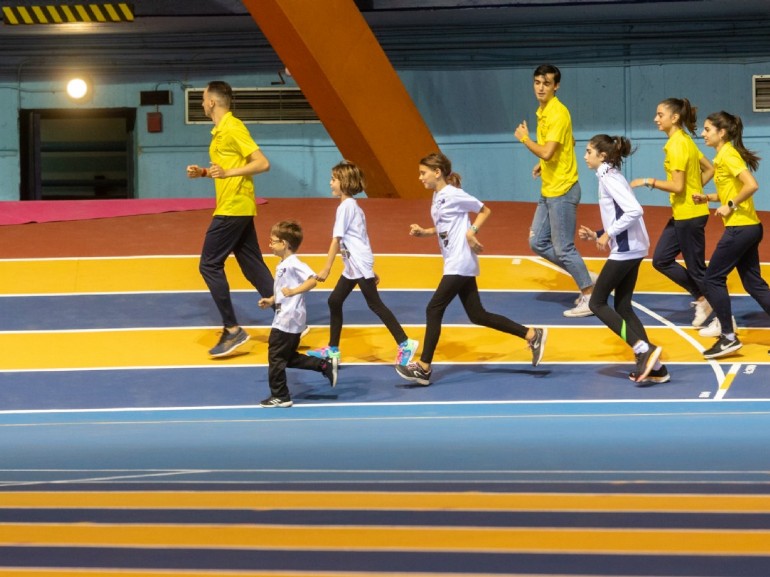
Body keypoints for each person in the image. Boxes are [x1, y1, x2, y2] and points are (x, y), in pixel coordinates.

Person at [395, 152, 547, 386]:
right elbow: (445, 225)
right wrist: (425, 232)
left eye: (423, 173)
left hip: (460, 260)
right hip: (455, 260)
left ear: (437, 173)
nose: (420, 177)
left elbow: (484, 210)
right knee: (477, 315)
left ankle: (424, 367)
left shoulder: (454, 195)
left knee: (433, 308)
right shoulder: (438, 197)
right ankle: (531, 334)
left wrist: (471, 231)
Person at [187, 80, 274, 358]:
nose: (201, 103)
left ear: (212, 102)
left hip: (233, 207)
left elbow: (262, 163)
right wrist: (203, 172)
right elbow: (227, 167)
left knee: (209, 265)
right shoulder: (220, 131)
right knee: (251, 264)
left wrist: (227, 174)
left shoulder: (233, 127)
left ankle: (232, 329)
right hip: (237, 204)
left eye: (203, 99)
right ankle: (289, 316)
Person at [308, 160, 419, 365]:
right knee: (334, 301)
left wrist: (326, 268)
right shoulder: (351, 206)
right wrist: (369, 268)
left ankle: (405, 343)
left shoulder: (346, 207)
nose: (330, 183)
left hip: (357, 262)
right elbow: (360, 238)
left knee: (375, 304)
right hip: (355, 263)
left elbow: (337, 239)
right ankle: (333, 350)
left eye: (333, 179)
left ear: (345, 182)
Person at [579, 135, 666, 385]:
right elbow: (620, 213)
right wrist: (598, 233)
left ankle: (642, 349)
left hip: (626, 249)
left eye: (588, 151)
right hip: (633, 247)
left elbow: (634, 210)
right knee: (623, 306)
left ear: (602, 156)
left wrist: (608, 233)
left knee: (596, 303)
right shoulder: (611, 175)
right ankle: (657, 368)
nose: (585, 156)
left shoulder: (608, 177)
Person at [514, 64, 595, 318]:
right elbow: (565, 142)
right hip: (549, 188)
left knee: (564, 249)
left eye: (546, 83)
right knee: (537, 242)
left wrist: (526, 139)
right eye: (537, 82)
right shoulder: (544, 111)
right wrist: (543, 163)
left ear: (556, 86)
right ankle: (582, 273)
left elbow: (548, 150)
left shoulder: (557, 113)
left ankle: (590, 296)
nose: (540, 87)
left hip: (562, 191)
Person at [629, 97, 714, 328]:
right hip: (683, 213)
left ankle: (723, 318)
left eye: (660, 115)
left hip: (690, 216)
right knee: (661, 259)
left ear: (674, 118)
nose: (656, 119)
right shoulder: (684, 140)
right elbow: (710, 168)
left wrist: (648, 181)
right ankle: (703, 299)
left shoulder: (678, 144)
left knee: (697, 270)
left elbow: (677, 186)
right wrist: (696, 190)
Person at [694, 111, 770, 359]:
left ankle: (728, 337)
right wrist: (709, 198)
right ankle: (727, 335)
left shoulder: (728, 155)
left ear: (721, 132)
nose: (703, 133)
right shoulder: (722, 157)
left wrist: (731, 205)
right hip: (749, 227)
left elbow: (751, 185)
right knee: (753, 284)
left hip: (740, 228)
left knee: (712, 279)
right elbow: (731, 190)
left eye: (707, 129)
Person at [257, 220, 338, 408]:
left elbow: (312, 280)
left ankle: (280, 395)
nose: (270, 245)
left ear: (284, 244)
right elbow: (283, 289)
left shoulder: (293, 263)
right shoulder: (284, 264)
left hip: (287, 318)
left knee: (276, 357)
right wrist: (272, 299)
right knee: (287, 357)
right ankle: (323, 365)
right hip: (288, 316)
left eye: (273, 241)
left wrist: (293, 292)